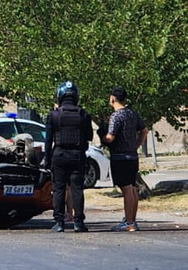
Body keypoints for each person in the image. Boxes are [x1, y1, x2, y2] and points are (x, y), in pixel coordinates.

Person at [44, 81, 93, 233]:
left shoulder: (54, 115)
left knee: (59, 189)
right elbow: (89, 136)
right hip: (77, 155)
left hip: (59, 155)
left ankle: (59, 223)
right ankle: (78, 223)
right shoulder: (83, 114)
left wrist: (47, 159)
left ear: (59, 96)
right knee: (77, 189)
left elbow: (48, 140)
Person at [98, 86, 148, 232]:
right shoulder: (132, 113)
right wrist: (137, 144)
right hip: (132, 156)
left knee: (126, 189)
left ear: (112, 98)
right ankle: (132, 219)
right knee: (132, 188)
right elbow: (144, 130)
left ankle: (129, 222)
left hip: (120, 157)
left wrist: (102, 138)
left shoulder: (116, 116)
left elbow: (110, 137)